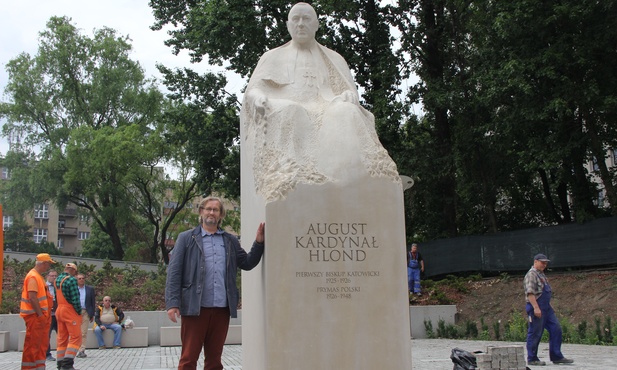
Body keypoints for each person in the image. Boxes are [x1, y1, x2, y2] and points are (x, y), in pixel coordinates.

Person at [241, 2, 398, 201]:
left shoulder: (335, 59)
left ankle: (352, 181)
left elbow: (348, 91)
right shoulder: (272, 57)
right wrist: (257, 97)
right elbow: (253, 90)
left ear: (316, 24)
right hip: (288, 104)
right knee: (290, 110)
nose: (300, 24)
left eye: (306, 19)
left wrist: (349, 97)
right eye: (295, 19)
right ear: (288, 25)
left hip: (326, 106)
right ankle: (292, 178)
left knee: (348, 113)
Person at [166, 196, 265, 370]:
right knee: (188, 359)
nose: (211, 212)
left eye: (216, 210)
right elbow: (174, 273)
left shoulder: (230, 241)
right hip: (195, 309)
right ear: (201, 212)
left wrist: (258, 243)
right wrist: (172, 303)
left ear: (221, 215)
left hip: (221, 309)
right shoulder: (186, 238)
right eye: (208, 209)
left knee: (214, 361)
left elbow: (247, 263)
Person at [524, 254, 574, 366]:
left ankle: (557, 356)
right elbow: (530, 293)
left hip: (546, 308)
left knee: (556, 329)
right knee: (535, 333)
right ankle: (532, 358)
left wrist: (548, 306)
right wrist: (536, 308)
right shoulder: (531, 275)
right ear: (535, 261)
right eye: (542, 262)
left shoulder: (541, 274)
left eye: (546, 263)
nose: (544, 265)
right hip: (536, 307)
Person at [20, 253, 56, 370]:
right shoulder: (33, 277)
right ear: (44, 263)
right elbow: (32, 297)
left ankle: (39, 367)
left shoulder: (37, 276)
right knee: (33, 346)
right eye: (48, 264)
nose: (48, 267)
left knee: (40, 346)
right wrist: (40, 315)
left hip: (40, 317)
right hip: (35, 317)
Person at [55, 263, 82, 370]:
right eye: (75, 272)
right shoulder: (71, 280)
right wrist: (79, 312)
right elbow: (75, 299)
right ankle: (67, 365)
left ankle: (60, 364)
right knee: (76, 337)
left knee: (62, 338)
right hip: (69, 311)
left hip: (59, 310)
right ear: (73, 271)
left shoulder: (57, 279)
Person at [75, 274, 96, 358]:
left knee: (83, 332)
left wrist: (92, 314)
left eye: (83, 278)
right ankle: (74, 349)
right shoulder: (74, 289)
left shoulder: (90, 289)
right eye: (79, 279)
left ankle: (82, 350)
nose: (81, 280)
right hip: (76, 312)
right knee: (76, 332)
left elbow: (92, 302)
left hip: (86, 312)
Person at [45, 269, 59, 362]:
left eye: (55, 276)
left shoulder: (58, 287)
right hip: (48, 315)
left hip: (58, 314)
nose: (54, 278)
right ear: (47, 276)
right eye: (52, 276)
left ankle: (62, 353)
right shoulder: (44, 286)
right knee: (47, 335)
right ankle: (47, 354)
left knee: (62, 334)